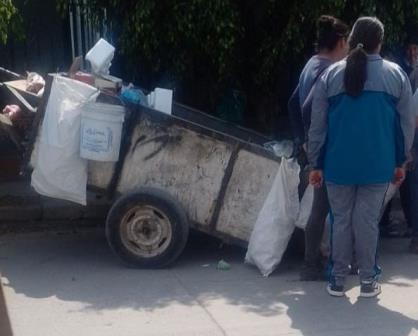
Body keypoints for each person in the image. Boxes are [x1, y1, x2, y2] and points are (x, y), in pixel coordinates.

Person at [308, 17, 415, 297]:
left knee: (340, 220)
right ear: (380, 41)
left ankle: (338, 280)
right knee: (366, 222)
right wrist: (400, 161)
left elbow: (318, 126)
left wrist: (315, 164)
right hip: (378, 165)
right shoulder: (396, 75)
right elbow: (405, 125)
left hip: (337, 165)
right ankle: (367, 281)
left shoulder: (330, 75)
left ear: (353, 37)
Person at [288, 15, 349, 281]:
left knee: (320, 208)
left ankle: (312, 263)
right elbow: (309, 106)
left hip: (314, 147)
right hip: (326, 150)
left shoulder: (311, 64)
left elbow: (293, 104)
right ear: (341, 41)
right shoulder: (328, 70)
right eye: (347, 42)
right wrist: (317, 140)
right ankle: (317, 265)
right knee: (331, 209)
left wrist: (302, 137)